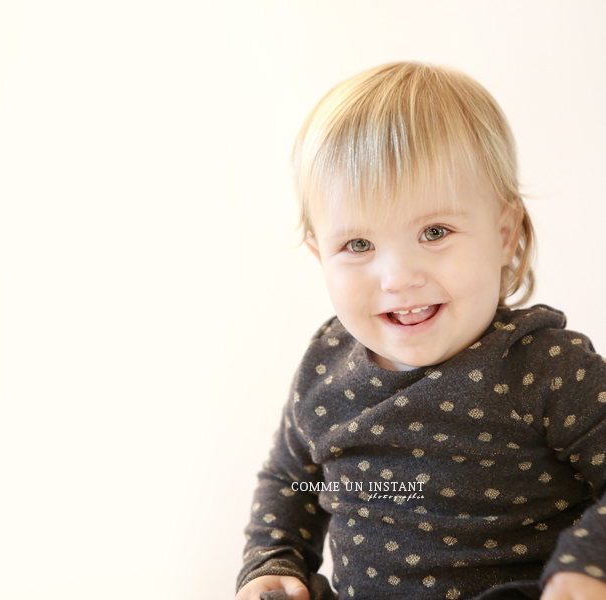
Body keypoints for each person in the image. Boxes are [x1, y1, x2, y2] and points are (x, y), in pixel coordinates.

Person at [234, 61, 606, 600]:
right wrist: (274, 561)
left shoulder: (544, 366)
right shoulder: (326, 366)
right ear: (321, 256)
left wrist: (586, 565)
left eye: (434, 232)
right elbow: (294, 481)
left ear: (504, 235)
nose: (398, 278)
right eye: (358, 245)